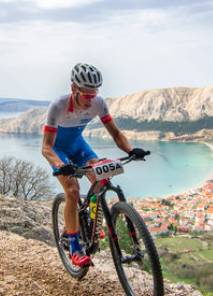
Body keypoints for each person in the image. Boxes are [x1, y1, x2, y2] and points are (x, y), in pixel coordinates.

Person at [42, 63, 147, 268]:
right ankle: (74, 247)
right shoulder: (58, 106)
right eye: (86, 96)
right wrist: (60, 165)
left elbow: (116, 134)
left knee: (100, 175)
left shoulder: (99, 103)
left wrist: (131, 151)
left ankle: (89, 222)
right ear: (74, 89)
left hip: (78, 146)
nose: (91, 101)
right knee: (72, 190)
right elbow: (46, 147)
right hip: (58, 150)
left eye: (94, 94)